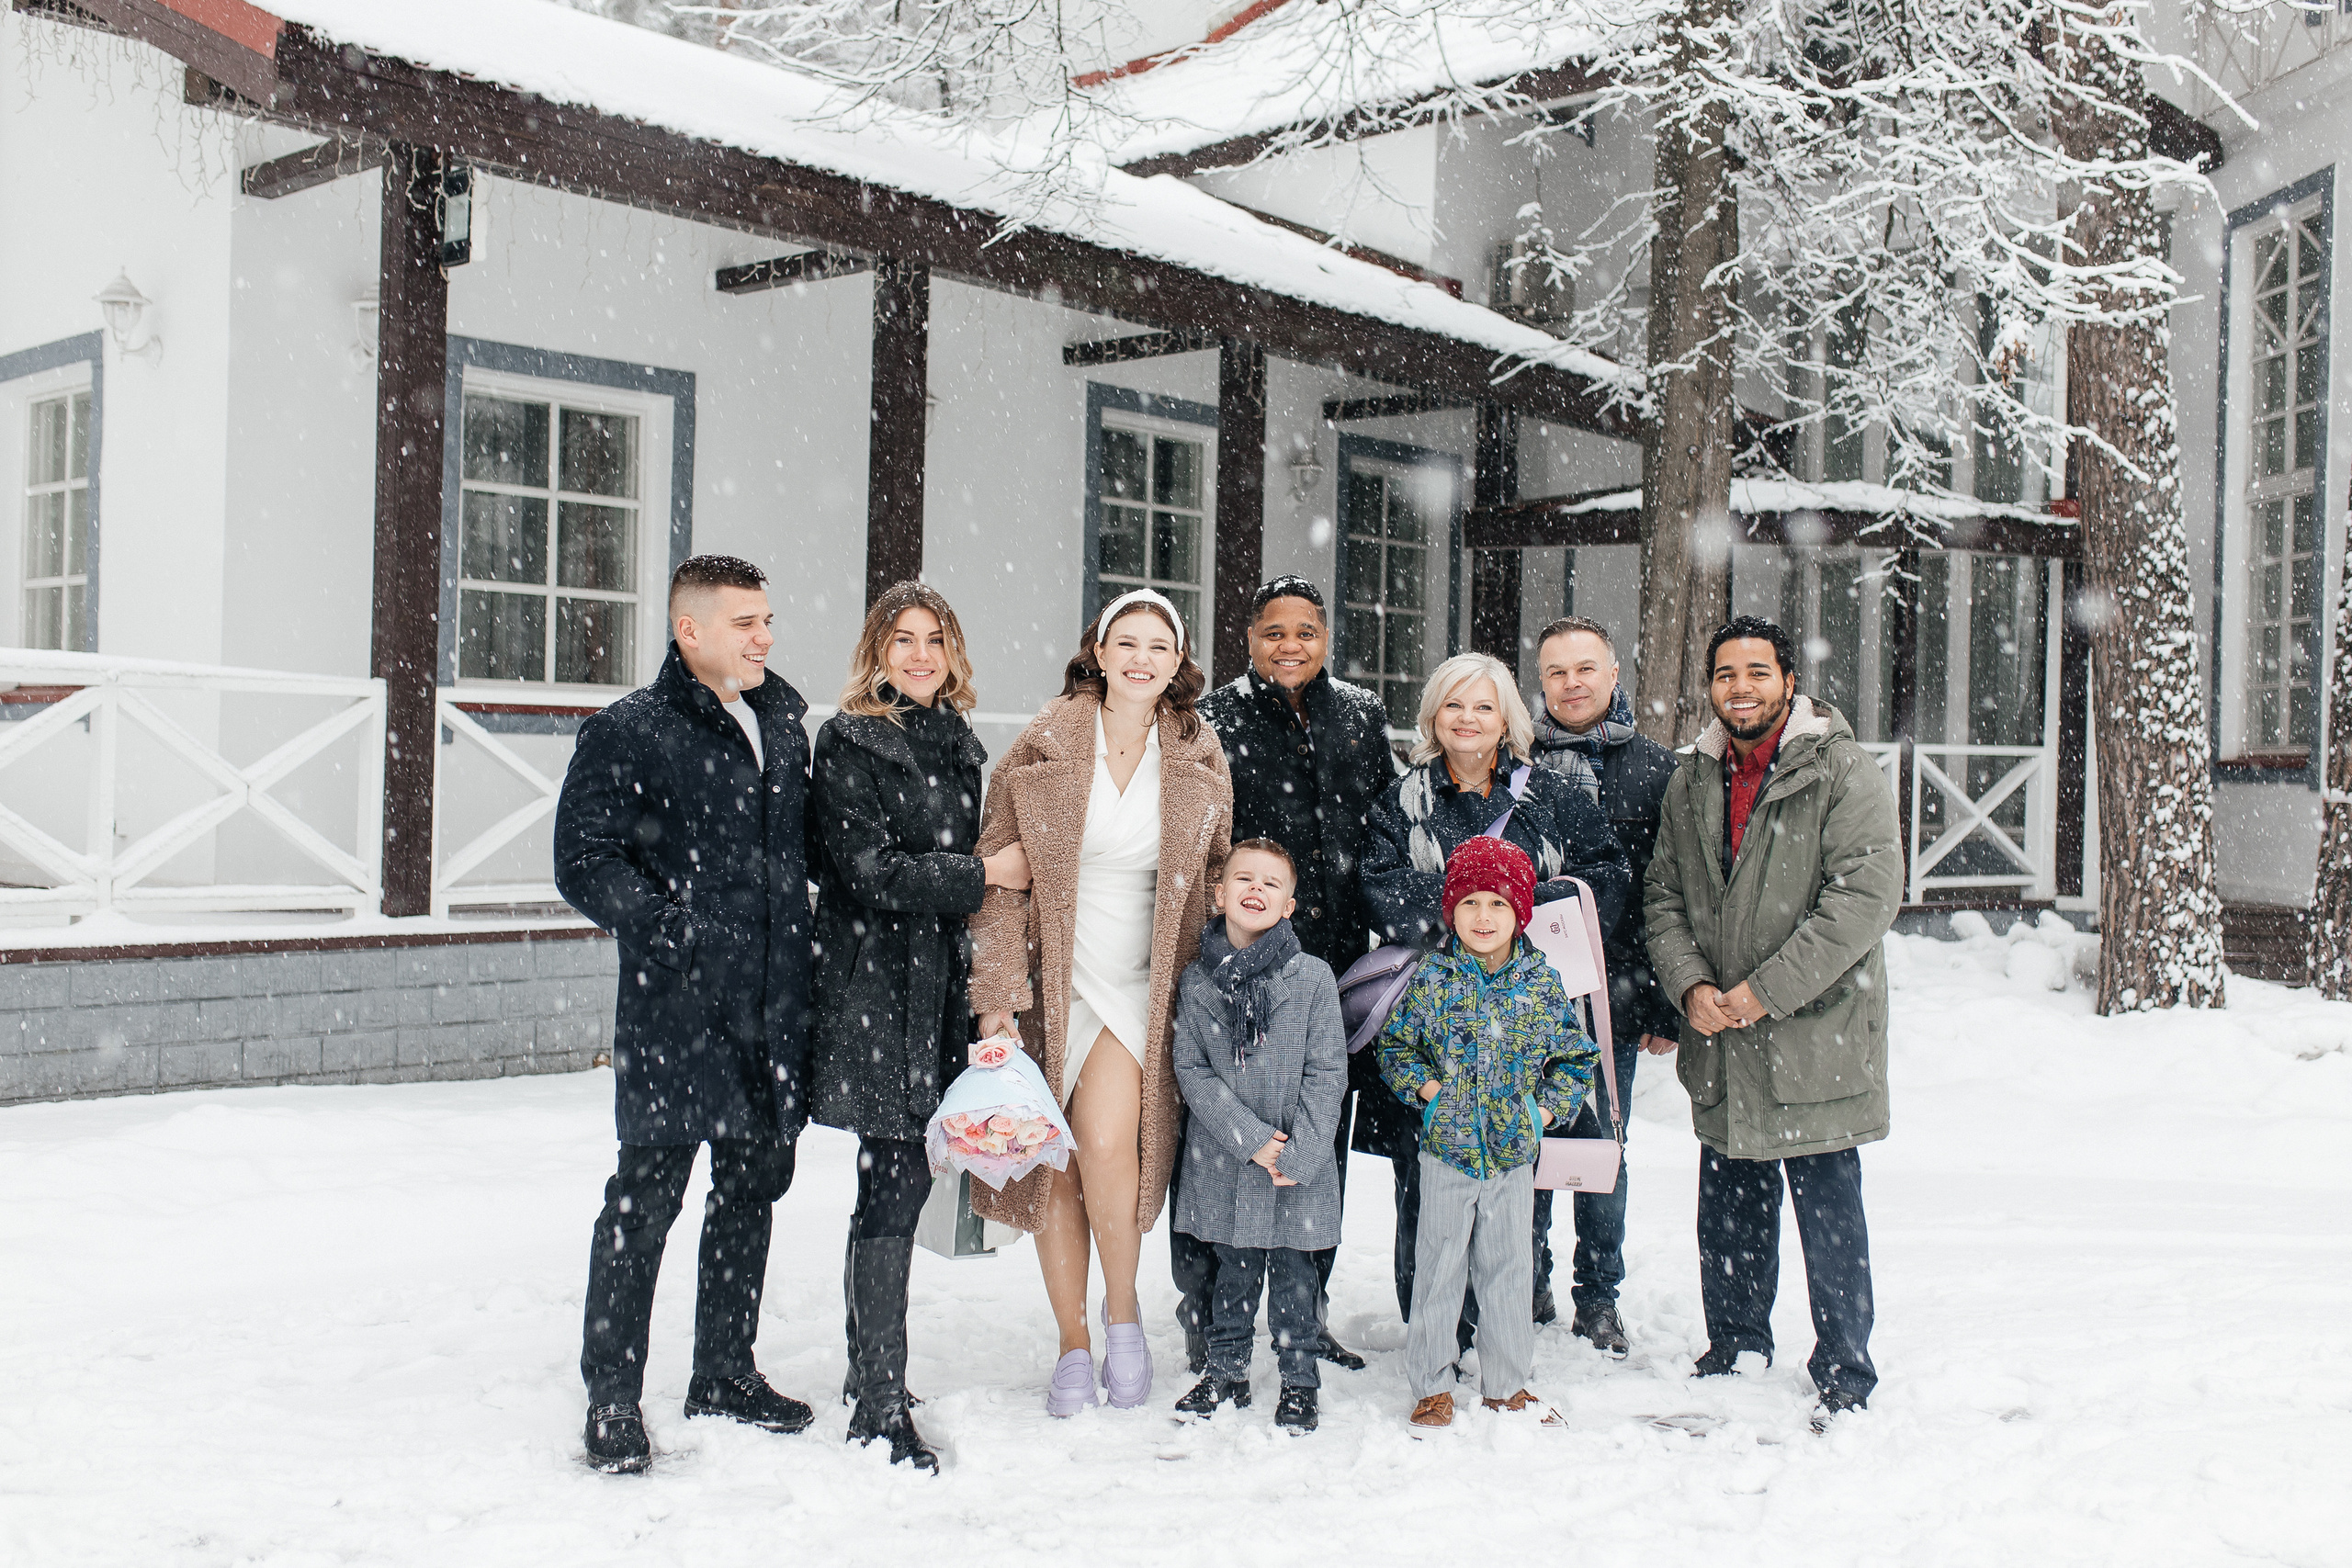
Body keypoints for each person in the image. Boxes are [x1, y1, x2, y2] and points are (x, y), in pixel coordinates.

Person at [554, 554, 817, 1475]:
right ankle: (612, 1399)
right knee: (644, 1204)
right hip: (677, 1009)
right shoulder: (629, 731)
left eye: (767, 619)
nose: (764, 637)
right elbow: (584, 861)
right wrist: (674, 931)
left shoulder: (785, 721)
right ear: (689, 630)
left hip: (773, 1005)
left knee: (751, 1192)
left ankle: (723, 1371)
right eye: (745, 622)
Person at [968, 589, 1233, 1416]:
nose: (1141, 658)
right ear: (1100, 649)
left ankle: (1123, 1312)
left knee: (1111, 1141)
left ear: (1177, 661)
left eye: (1159, 645)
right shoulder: (1043, 744)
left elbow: (1216, 867)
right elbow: (1000, 885)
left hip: (1141, 976)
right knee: (1059, 1160)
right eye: (1127, 641)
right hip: (1056, 973)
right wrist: (998, 998)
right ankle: (1071, 1340)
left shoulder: (1199, 749)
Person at [1643, 615, 1903, 1429]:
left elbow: (1864, 897)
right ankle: (1737, 1341)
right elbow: (1664, 895)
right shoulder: (1693, 777)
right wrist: (1690, 986)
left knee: (1828, 1211)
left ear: (1788, 680)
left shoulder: (1839, 767)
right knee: (1729, 1205)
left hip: (1812, 1037)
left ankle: (1844, 1364)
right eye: (1726, 674)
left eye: (1757, 672)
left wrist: (1765, 990)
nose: (1741, 688)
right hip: (1720, 1036)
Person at [805, 581, 1033, 1472]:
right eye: (903, 639)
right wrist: (983, 876)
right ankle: (877, 1397)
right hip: (872, 990)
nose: (920, 654)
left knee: (897, 1177)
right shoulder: (851, 739)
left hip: (936, 988)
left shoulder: (956, 744)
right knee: (892, 1176)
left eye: (934, 638)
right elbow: (866, 870)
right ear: (877, 651)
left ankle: (874, 1373)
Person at [1359, 650, 1630, 1328]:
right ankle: (1437, 1322)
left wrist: (1519, 909)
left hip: (1526, 1016)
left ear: (1507, 717)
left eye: (1484, 706)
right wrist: (1468, 906)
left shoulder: (1551, 798)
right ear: (1434, 716)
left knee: (1516, 1175)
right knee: (1427, 1180)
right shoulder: (1402, 801)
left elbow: (1607, 875)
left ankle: (1507, 1313)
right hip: (1433, 1017)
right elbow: (1378, 886)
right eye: (1454, 705)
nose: (1468, 719)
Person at [1186, 576, 1396, 1373]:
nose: (1290, 646)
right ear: (1249, 638)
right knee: (1226, 1129)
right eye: (1274, 632)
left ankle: (1307, 1313)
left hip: (1333, 961)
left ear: (1324, 639)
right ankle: (1210, 1308)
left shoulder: (1360, 715)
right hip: (1240, 957)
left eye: (1305, 632)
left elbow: (1381, 825)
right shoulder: (1216, 720)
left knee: (1319, 1132)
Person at [1374, 835, 1597, 1428]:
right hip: (1446, 1153)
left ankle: (1506, 1383)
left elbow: (1576, 1058)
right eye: (1470, 902)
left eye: (1497, 904)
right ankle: (1431, 1383)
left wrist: (1540, 1113)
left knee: (1507, 1269)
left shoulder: (1541, 984)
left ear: (1520, 913)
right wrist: (1430, 1095)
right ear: (1452, 910)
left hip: (1511, 1156)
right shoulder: (1434, 978)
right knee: (1439, 1267)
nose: (1483, 916)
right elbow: (1396, 1047)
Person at [1524, 615, 1683, 1356]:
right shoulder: (1516, 764)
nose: (1573, 682)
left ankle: (1600, 1293)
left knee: (1602, 1145)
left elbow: (1667, 893)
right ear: (1541, 682)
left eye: (1586, 668)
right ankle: (1525, 1276)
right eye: (1557, 671)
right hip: (1522, 994)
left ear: (1615, 673)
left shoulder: (1656, 770)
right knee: (1522, 1137)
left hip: (1614, 993)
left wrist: (1658, 1001)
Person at [1168, 840, 1349, 1434]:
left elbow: (1328, 1069)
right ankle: (1227, 1369)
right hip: (1229, 1158)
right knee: (1233, 1270)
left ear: (1290, 904)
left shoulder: (1314, 978)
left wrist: (1300, 1149)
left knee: (1296, 1277)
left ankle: (1299, 1379)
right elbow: (1191, 1069)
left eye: (1271, 883)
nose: (1256, 889)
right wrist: (1252, 1139)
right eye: (1243, 878)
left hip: (1299, 1159)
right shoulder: (1198, 983)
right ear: (1218, 894)